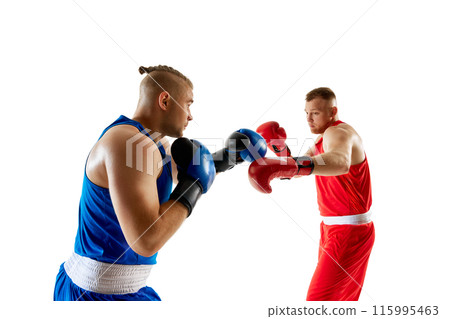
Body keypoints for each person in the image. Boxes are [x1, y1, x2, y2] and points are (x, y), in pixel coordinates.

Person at [54, 65, 266, 301]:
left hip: (113, 288)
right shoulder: (132, 144)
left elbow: (189, 172)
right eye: (188, 104)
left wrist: (230, 156)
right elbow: (146, 240)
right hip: (96, 295)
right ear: (164, 100)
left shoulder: (151, 142)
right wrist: (195, 185)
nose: (190, 115)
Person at [248, 87, 375, 301]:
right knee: (337, 304)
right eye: (306, 113)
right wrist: (279, 150)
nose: (308, 119)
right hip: (333, 228)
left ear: (333, 112)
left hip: (348, 231)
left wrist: (284, 166)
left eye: (315, 113)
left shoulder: (338, 132)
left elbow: (340, 162)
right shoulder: (322, 139)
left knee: (318, 302)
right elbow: (299, 170)